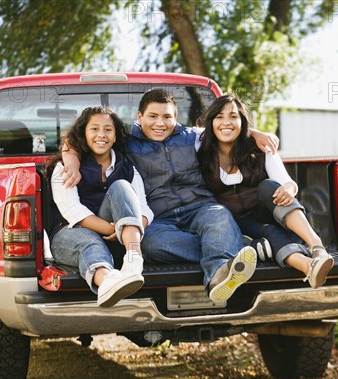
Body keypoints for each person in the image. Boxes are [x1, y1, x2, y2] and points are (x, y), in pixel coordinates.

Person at [61, 89, 279, 302]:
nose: (160, 123)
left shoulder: (191, 137)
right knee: (150, 245)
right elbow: (81, 138)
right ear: (140, 117)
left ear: (176, 117)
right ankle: (236, 246)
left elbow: (226, 128)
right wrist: (71, 161)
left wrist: (256, 133)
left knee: (220, 217)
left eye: (167, 117)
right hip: (159, 215)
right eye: (153, 116)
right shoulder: (126, 142)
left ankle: (218, 278)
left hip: (200, 206)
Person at [197, 94, 335, 288]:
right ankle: (309, 266)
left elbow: (288, 183)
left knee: (268, 186)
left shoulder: (260, 148)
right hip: (237, 223)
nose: (226, 122)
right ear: (211, 121)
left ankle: (316, 246)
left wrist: (289, 187)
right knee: (269, 233)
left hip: (271, 212)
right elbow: (175, 130)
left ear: (242, 121)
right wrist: (254, 131)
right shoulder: (200, 149)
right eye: (219, 116)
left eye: (233, 116)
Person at [48, 106, 154, 307]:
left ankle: (133, 259)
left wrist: (129, 228)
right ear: (84, 134)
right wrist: (115, 229)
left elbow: (145, 209)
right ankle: (108, 284)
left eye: (108, 130)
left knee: (121, 186)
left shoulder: (128, 169)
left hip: (119, 239)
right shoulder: (66, 167)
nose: (101, 135)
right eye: (94, 129)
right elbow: (72, 210)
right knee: (91, 243)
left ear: (115, 136)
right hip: (70, 234)